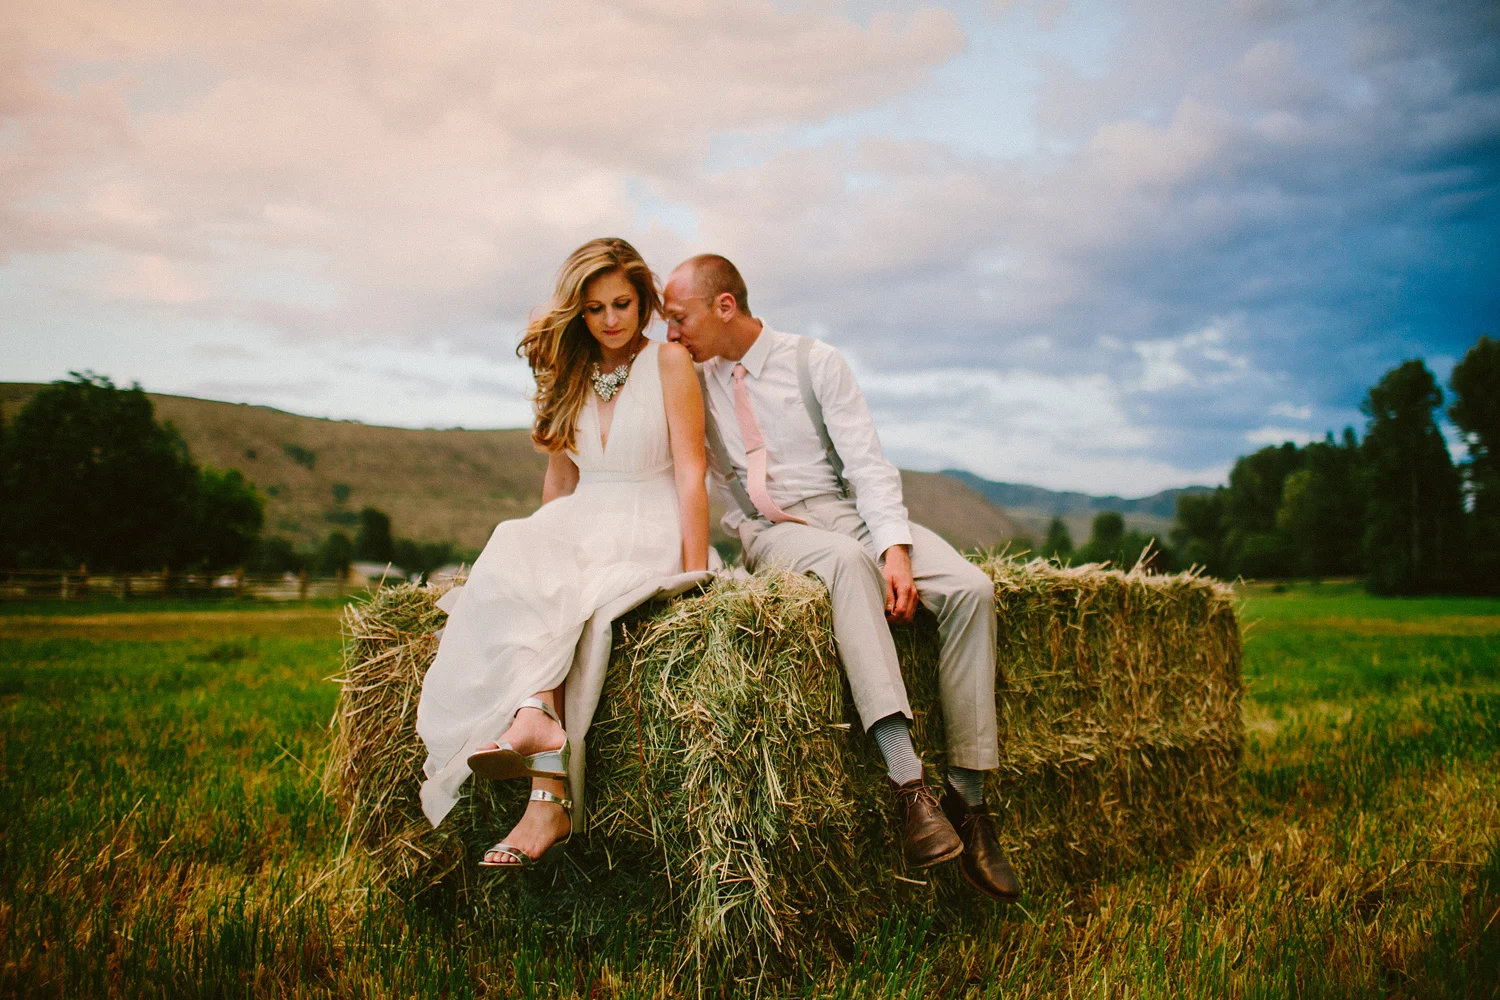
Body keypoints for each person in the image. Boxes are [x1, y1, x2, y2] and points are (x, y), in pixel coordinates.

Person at [662, 254, 1020, 902]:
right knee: (846, 566)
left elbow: (868, 466)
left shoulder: (813, 362)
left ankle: (969, 798)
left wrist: (897, 550)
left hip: (843, 513)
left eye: (678, 316)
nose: (671, 332)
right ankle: (908, 785)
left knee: (972, 589)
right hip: (772, 533)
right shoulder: (689, 378)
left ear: (724, 306)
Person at [416, 237, 710, 869]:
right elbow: (559, 483)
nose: (610, 320)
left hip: (648, 517)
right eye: (595, 308)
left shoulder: (670, 364)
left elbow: (691, 470)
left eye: (623, 304)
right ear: (577, 312)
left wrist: (699, 572)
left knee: (583, 602)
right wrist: (542, 548)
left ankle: (547, 790)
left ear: (644, 301)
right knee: (517, 549)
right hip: (585, 515)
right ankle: (538, 713)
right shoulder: (570, 371)